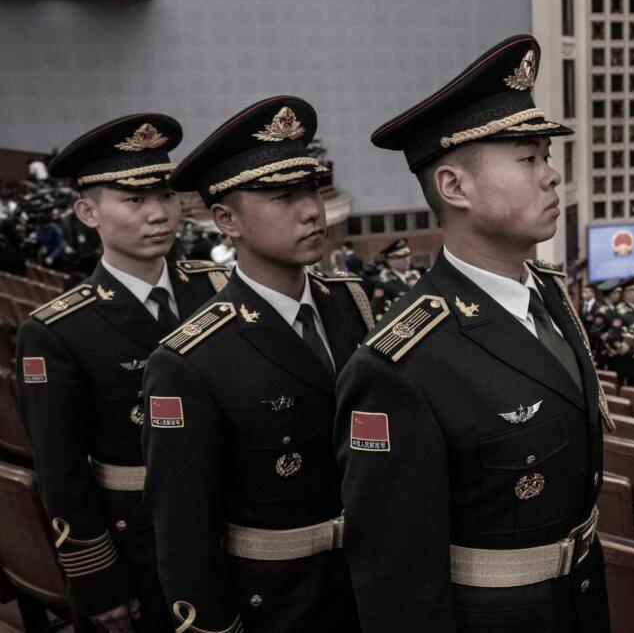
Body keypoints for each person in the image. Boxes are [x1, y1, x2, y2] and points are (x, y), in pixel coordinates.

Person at [335, 35, 612, 631]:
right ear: (454, 187)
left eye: (546, 155)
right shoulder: (400, 364)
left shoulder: (550, 296)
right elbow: (396, 579)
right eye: (528, 158)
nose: (552, 176)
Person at [142, 98, 372, 633]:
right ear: (227, 220)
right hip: (279, 600)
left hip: (371, 584)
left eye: (313, 189)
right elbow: (183, 528)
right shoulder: (190, 359)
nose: (312, 210)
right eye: (284, 197)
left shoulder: (350, 303)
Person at [16, 114, 228, 632]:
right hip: (141, 543)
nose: (158, 214)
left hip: (235, 520)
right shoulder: (57, 330)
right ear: (87, 212)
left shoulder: (220, 290)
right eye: (134, 201)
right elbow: (61, 473)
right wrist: (99, 583)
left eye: (165, 196)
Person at [369, 238, 415, 320]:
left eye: (407, 255)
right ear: (389, 261)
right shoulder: (384, 284)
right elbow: (378, 312)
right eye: (400, 257)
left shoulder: (416, 276)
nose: (406, 260)